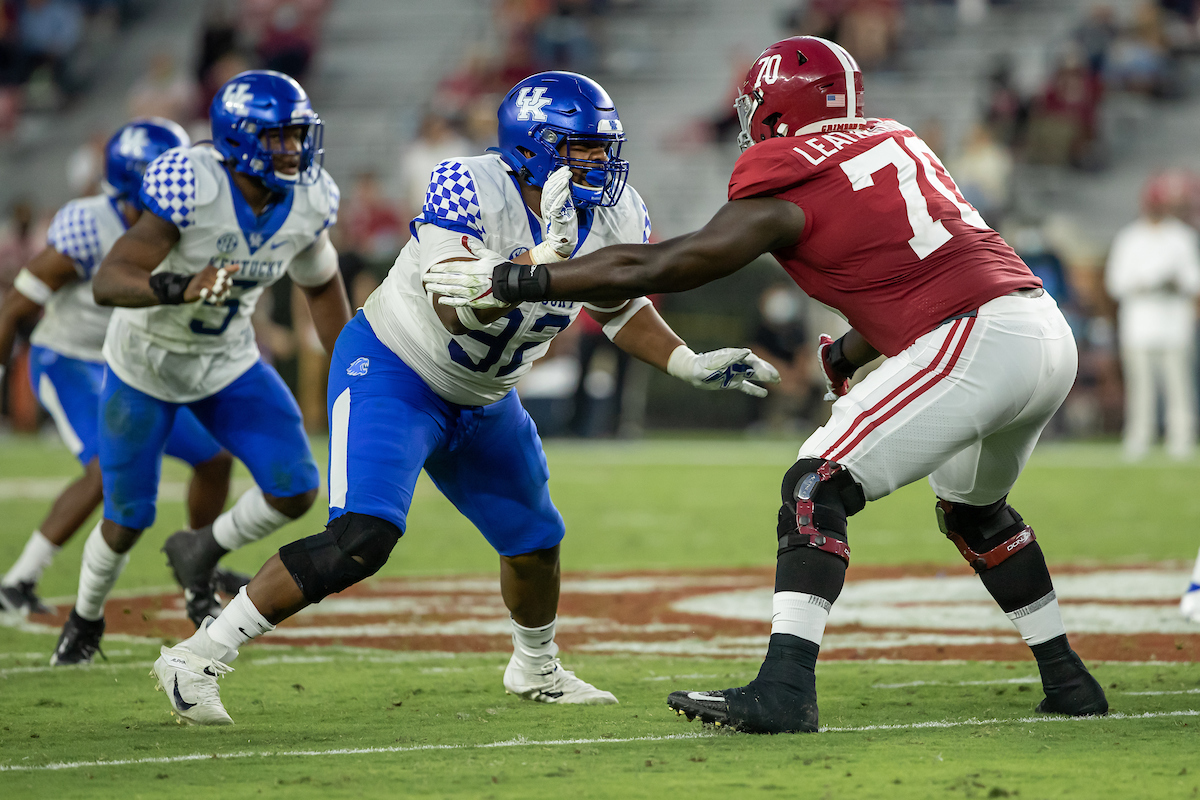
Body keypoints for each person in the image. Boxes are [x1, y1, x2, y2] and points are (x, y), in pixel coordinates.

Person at [427, 37, 1110, 733]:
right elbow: (925, 257)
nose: (752, 118)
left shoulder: (789, 165)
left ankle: (785, 687)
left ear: (783, 106)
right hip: (1041, 331)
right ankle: (1069, 680)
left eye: (757, 104)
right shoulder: (895, 138)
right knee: (975, 511)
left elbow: (677, 263)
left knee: (815, 485)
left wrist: (522, 278)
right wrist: (849, 348)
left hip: (975, 336)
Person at [150, 70, 778, 726]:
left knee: (535, 541)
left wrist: (687, 361)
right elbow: (456, 312)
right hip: (396, 369)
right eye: (586, 149)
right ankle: (197, 656)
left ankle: (535, 667)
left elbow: (618, 307)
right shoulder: (469, 184)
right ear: (534, 147)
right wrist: (544, 257)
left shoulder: (619, 209)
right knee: (361, 537)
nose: (603, 163)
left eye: (605, 147)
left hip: (484, 394)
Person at [48, 71, 351, 665]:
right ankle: (84, 618)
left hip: (227, 361)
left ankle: (201, 548)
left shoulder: (310, 198)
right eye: (279, 139)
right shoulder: (192, 180)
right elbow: (111, 279)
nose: (294, 151)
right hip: (145, 365)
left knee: (296, 487)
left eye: (298, 137)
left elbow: (320, 286)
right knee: (128, 514)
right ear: (239, 141)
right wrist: (182, 285)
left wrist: (355, 368)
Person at [0, 119, 237, 617]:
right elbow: (13, 309)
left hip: (131, 365)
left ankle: (199, 564)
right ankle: (17, 581)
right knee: (108, 471)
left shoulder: (186, 225)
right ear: (142, 180)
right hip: (68, 359)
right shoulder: (88, 227)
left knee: (215, 457)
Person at [1105, 172, 1200, 462]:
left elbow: (1194, 280)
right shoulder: (1129, 237)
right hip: (1139, 323)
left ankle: (1181, 437)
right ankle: (1139, 436)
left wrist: (1176, 282)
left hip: (1174, 322)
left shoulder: (1181, 237)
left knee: (1178, 384)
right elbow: (1115, 283)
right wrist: (1143, 283)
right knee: (1140, 385)